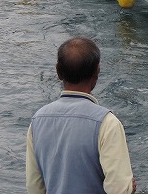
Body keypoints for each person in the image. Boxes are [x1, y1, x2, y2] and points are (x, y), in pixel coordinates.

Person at [26, 37, 136, 194]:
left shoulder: (37, 121)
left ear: (58, 71)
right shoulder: (107, 122)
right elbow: (119, 189)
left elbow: (34, 188)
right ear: (97, 71)